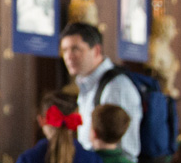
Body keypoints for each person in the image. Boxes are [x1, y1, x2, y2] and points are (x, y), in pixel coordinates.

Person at [58, 20, 142, 154]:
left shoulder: (116, 86)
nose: (68, 56)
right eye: (64, 50)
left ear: (96, 50)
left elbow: (128, 149)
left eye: (75, 49)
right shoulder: (88, 85)